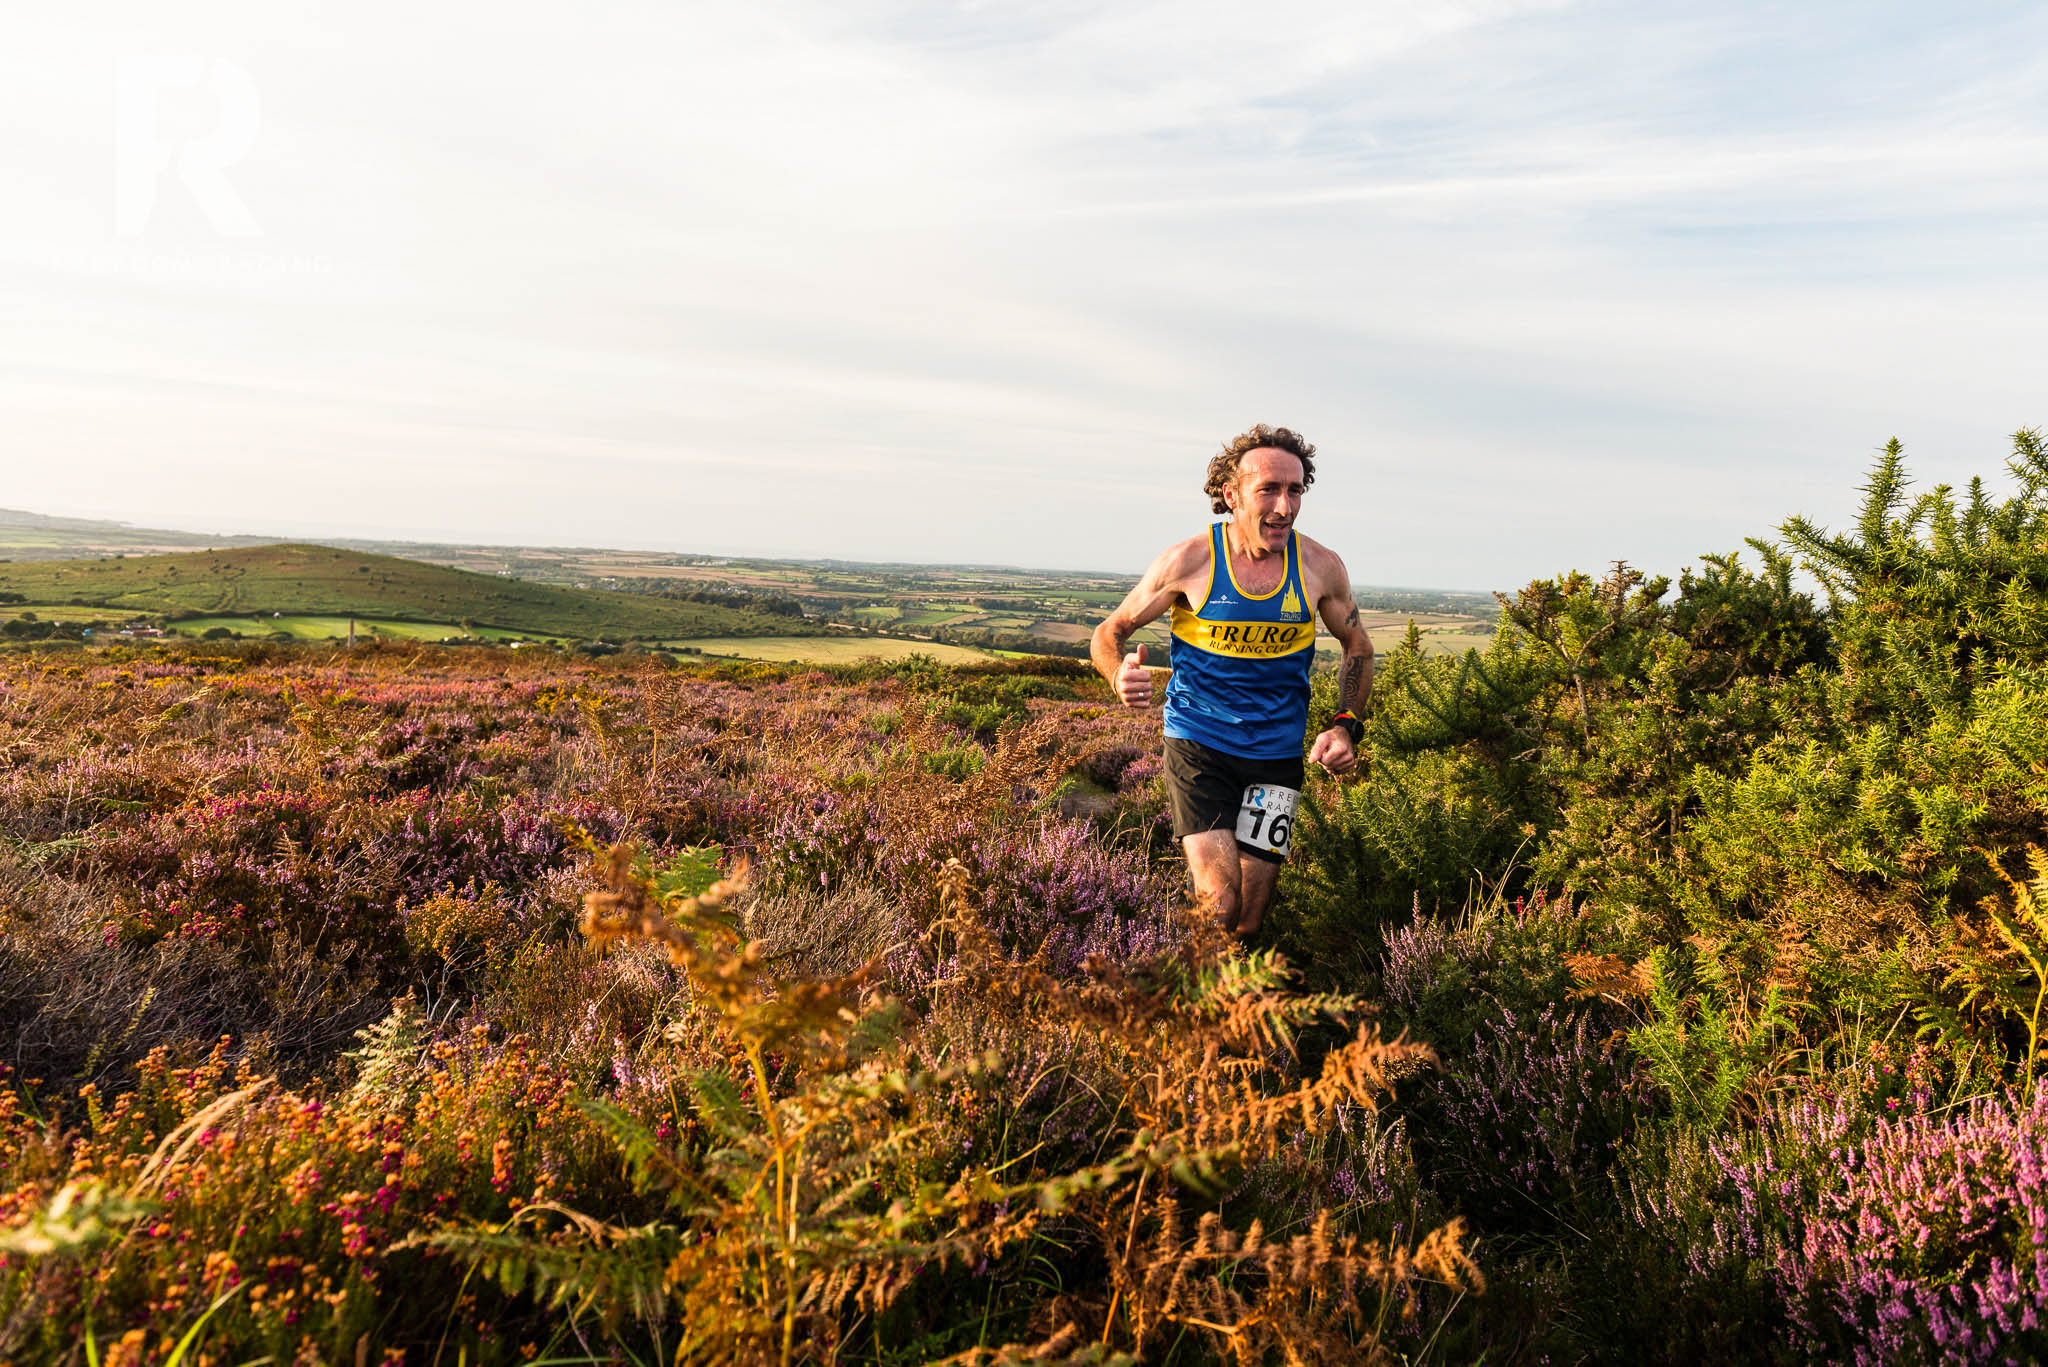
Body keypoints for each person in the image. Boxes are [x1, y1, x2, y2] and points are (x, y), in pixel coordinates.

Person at [1090, 424, 1372, 937]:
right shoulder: (1190, 561)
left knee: (1249, 918)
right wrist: (1118, 674)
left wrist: (1345, 726)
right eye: (1268, 489)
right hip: (1200, 743)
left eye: (1295, 490)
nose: (1284, 507)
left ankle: (1234, 1001)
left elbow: (1358, 648)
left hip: (1277, 755)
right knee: (1220, 903)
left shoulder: (1320, 568)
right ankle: (1196, 1009)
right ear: (1231, 495)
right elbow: (1110, 631)